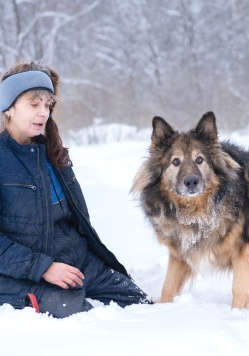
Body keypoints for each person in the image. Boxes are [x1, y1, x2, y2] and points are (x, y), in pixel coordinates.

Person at [0, 60, 151, 318]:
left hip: (79, 261)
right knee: (83, 321)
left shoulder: (52, 151)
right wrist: (44, 268)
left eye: (47, 105)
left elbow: (77, 219)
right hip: (27, 273)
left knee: (142, 306)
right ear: (9, 108)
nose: (43, 113)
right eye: (33, 104)